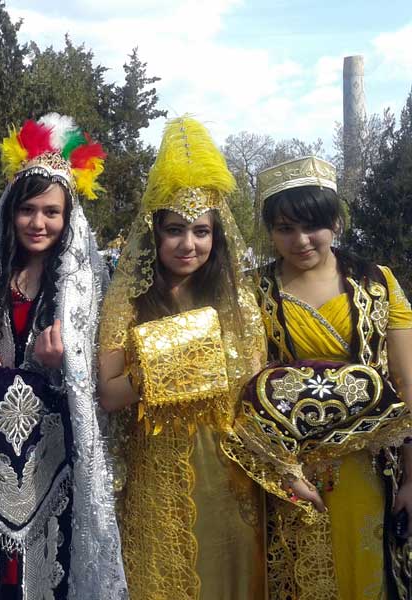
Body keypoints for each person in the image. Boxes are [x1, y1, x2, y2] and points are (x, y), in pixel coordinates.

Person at [0, 114, 127, 600]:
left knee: (42, 565)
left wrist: (57, 369)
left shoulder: (84, 289)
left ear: (67, 217)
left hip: (50, 460)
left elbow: (91, 382)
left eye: (51, 212)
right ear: (11, 213)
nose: (39, 223)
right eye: (28, 210)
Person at [223, 155, 412, 599]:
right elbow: (248, 387)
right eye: (285, 228)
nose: (301, 240)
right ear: (270, 232)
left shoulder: (378, 284)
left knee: (363, 570)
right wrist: (283, 471)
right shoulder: (253, 290)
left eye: (313, 226)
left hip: (367, 464)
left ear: (336, 223)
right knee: (297, 579)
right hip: (286, 470)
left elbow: (406, 385)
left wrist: (411, 479)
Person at [97, 116, 267, 599]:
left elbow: (255, 390)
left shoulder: (239, 302)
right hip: (155, 468)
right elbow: (109, 395)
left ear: (217, 237)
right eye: (174, 230)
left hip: (228, 468)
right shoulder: (126, 303)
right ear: (155, 234)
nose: (188, 244)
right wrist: (172, 364)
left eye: (200, 231)